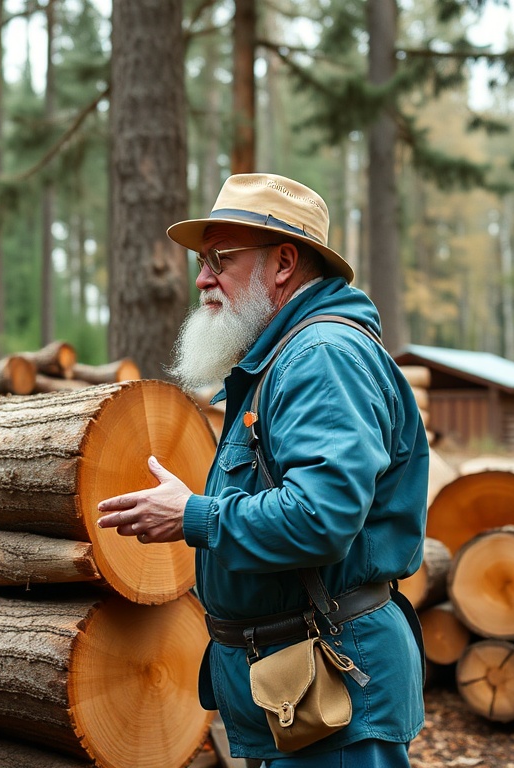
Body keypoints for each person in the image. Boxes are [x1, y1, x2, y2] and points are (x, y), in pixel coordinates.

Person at [96, 173, 429, 768]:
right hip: (300, 693)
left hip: (335, 692)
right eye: (202, 260)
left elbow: (320, 518)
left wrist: (193, 516)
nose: (202, 278)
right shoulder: (289, 356)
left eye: (221, 258)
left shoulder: (321, 356)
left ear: (282, 263)